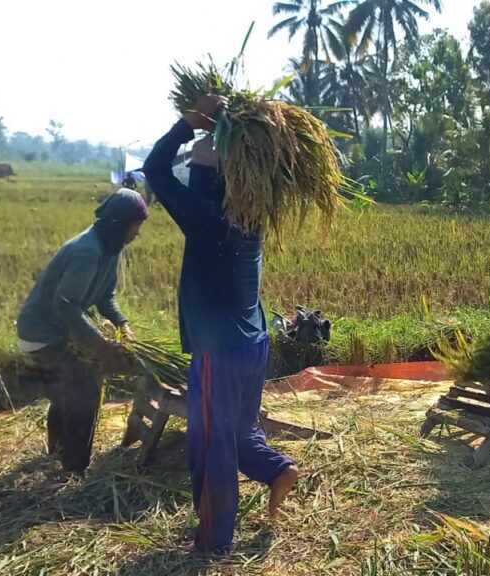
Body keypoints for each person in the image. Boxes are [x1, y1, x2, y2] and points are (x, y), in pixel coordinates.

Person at [143, 96, 299, 555]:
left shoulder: (210, 219)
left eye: (202, 163)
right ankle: (276, 470)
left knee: (210, 443)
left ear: (213, 179)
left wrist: (184, 127)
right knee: (236, 431)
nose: (195, 163)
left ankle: (212, 542)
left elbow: (154, 171)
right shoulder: (251, 216)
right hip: (254, 341)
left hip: (223, 349)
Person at [16, 188, 148, 476]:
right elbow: (65, 304)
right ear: (118, 223)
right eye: (135, 224)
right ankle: (74, 470)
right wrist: (99, 343)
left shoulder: (109, 246)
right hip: (42, 334)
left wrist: (122, 323)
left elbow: (106, 296)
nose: (138, 232)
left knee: (67, 391)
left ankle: (59, 452)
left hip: (54, 330)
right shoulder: (87, 251)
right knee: (85, 390)